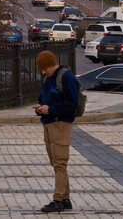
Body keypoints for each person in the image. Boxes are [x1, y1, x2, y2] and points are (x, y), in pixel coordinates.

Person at [34, 50, 79, 213]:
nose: (43, 72)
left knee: (60, 162)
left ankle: (58, 199)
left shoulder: (66, 78)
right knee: (56, 163)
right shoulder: (49, 78)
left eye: (45, 69)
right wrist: (41, 108)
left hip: (60, 124)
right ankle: (65, 198)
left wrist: (51, 109)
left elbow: (72, 104)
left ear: (52, 64)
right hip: (48, 122)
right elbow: (43, 98)